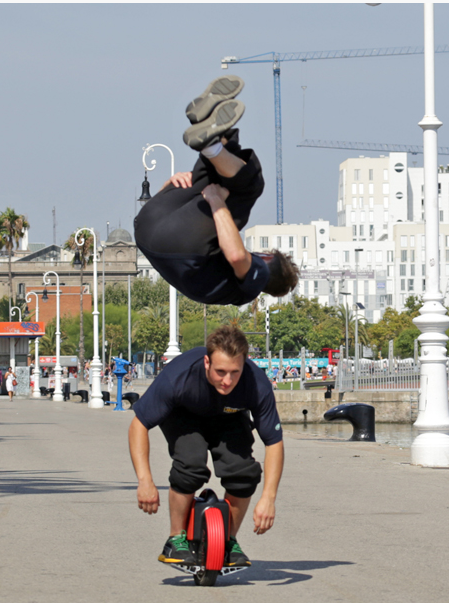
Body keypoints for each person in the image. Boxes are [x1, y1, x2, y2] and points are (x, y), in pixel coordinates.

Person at [134, 76, 299, 307]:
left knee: (249, 187)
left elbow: (237, 256)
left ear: (268, 257)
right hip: (146, 225)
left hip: (177, 244)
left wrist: (217, 203)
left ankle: (213, 143)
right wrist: (168, 188)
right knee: (218, 174)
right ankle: (212, 136)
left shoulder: (257, 277)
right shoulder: (228, 291)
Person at [128, 325, 283, 569]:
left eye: (235, 372)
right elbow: (139, 425)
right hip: (184, 416)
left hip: (229, 417)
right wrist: (144, 480)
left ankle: (229, 541)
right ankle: (175, 538)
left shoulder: (257, 384)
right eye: (220, 372)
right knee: (190, 466)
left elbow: (274, 442)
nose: (227, 381)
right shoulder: (179, 376)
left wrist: (269, 498)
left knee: (244, 473)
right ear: (207, 362)